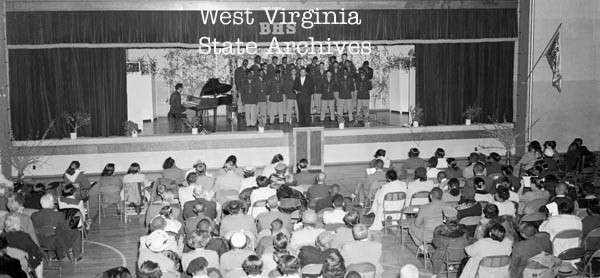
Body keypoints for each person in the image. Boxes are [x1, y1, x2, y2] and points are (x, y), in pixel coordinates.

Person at [32, 193, 83, 261]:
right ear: (50, 203)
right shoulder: (58, 215)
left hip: (40, 242)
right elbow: (66, 229)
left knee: (48, 233)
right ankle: (76, 256)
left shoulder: (34, 215)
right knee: (76, 232)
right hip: (56, 243)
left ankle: (51, 255)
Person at [431, 209, 468, 275]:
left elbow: (436, 243)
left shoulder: (440, 229)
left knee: (435, 256)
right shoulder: (463, 228)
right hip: (462, 255)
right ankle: (453, 266)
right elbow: (466, 241)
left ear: (445, 218)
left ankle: (436, 274)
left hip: (447, 256)